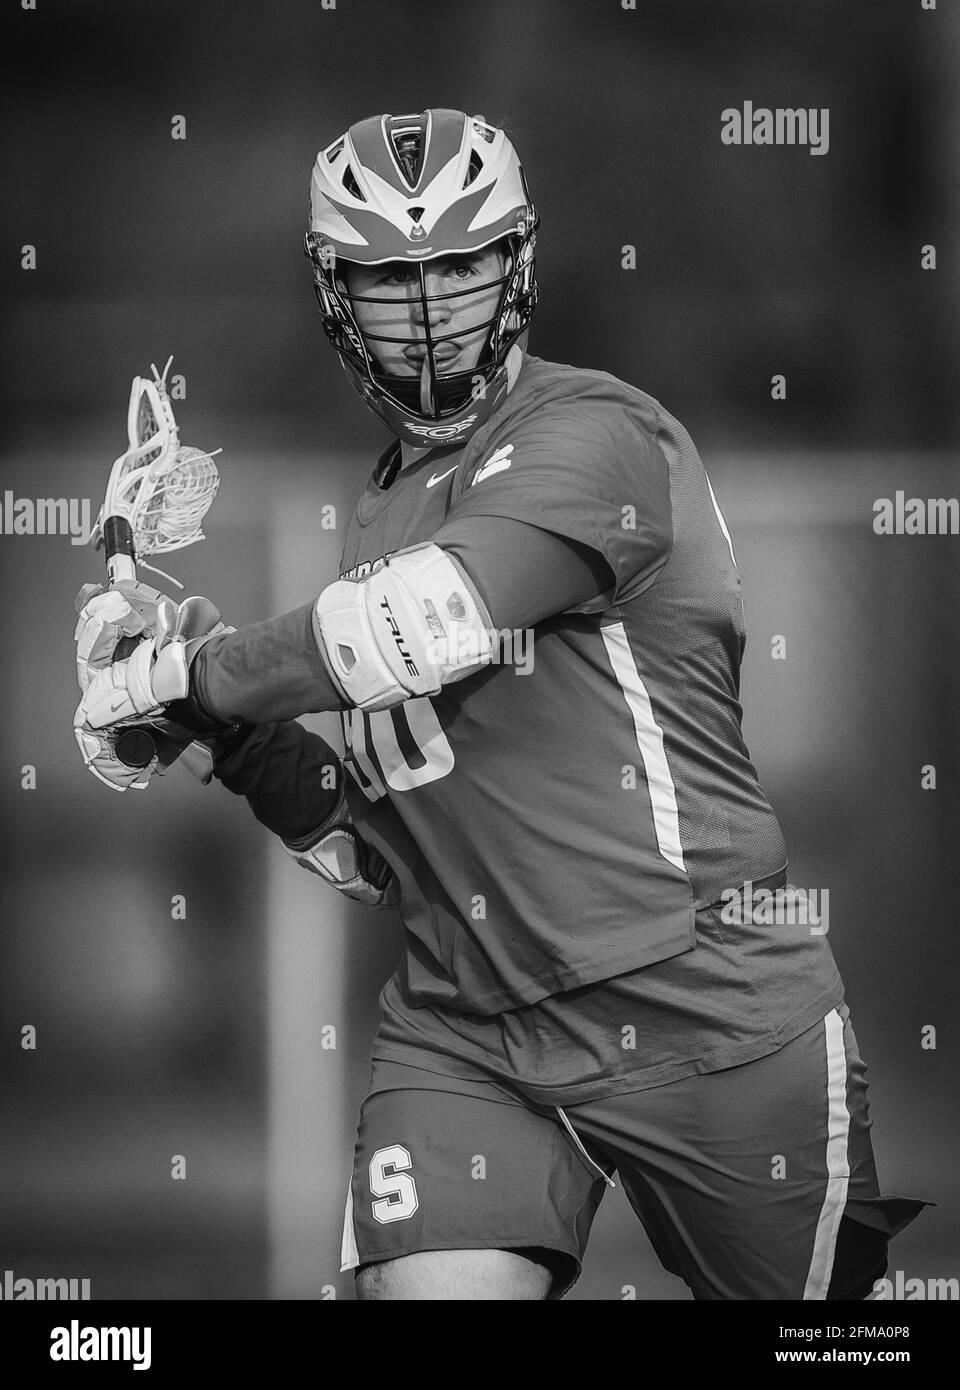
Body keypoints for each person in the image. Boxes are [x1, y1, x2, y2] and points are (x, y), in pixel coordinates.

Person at [73, 108, 927, 1300]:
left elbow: (412, 628)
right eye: (390, 279)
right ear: (335, 297)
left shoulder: (601, 435)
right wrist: (223, 729)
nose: (428, 314)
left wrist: (189, 672)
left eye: (459, 268)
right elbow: (379, 857)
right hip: (471, 1029)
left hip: (706, 1007)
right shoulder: (380, 507)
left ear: (519, 264)